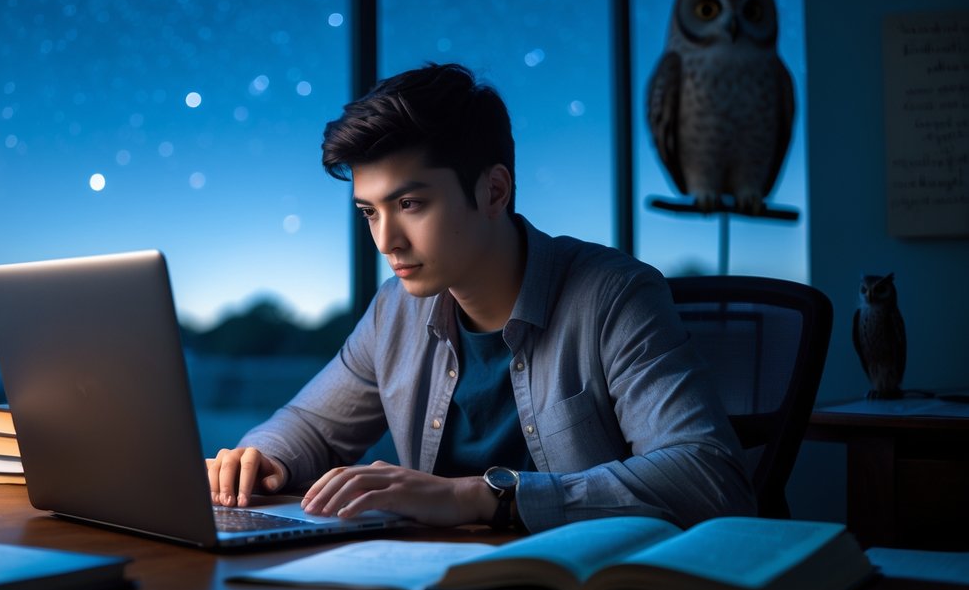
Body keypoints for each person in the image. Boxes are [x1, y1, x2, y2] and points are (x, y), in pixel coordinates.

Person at [206, 62, 755, 533]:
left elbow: (708, 476)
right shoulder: (393, 310)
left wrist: (479, 496)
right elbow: (307, 424)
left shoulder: (614, 295)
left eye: (411, 205)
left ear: (494, 191)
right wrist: (261, 457)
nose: (386, 241)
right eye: (370, 212)